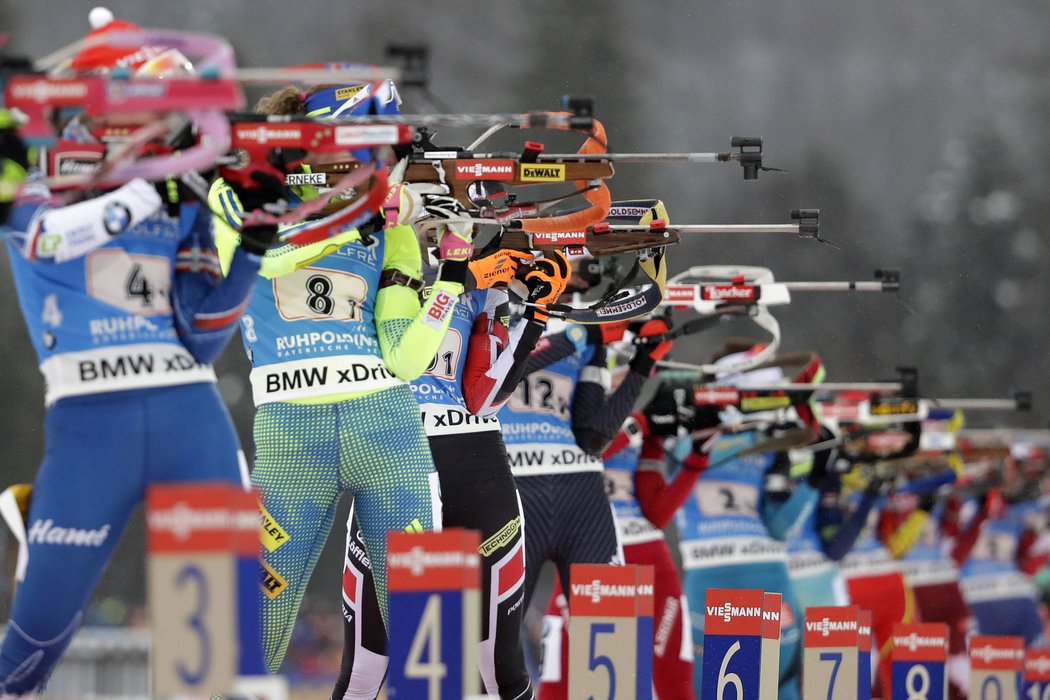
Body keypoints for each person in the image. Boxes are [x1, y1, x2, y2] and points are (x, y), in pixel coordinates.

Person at [0, 17, 278, 693]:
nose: (170, 133)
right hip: (91, 427)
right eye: (156, 114)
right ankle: (39, 516)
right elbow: (44, 241)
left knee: (217, 659)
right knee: (31, 651)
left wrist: (254, 245)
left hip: (190, 412)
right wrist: (141, 194)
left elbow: (201, 332)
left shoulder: (178, 195)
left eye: (177, 118)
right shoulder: (39, 176)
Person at [208, 79, 473, 678]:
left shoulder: (392, 225)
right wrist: (355, 222)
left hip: (384, 429)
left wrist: (451, 278)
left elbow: (406, 358)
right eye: (352, 152)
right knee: (253, 625)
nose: (362, 167)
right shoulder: (244, 189)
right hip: (291, 435)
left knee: (427, 630)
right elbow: (258, 259)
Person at [331, 249, 570, 700]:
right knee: (365, 669)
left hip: (473, 463)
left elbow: (484, 396)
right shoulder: (371, 259)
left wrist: (534, 313)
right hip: (395, 459)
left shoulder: (483, 286)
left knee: (500, 671)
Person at [539, 379, 716, 700]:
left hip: (648, 558)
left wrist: (695, 459)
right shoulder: (560, 404)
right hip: (590, 553)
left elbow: (656, 512)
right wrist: (640, 424)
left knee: (673, 680)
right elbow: (571, 463)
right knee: (561, 682)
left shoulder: (634, 420)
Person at [675, 345, 820, 700]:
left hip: (768, 575)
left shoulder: (769, 441)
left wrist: (814, 478)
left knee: (779, 690)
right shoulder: (687, 435)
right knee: (715, 692)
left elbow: (781, 527)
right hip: (709, 579)